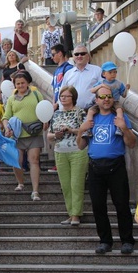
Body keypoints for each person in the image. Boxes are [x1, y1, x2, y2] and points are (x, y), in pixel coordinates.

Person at [76, 87, 136, 254]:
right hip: (95, 167)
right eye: (102, 97)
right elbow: (80, 146)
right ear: (97, 100)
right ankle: (105, 240)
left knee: (122, 204)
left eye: (109, 97)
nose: (106, 100)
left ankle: (127, 240)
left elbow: (131, 143)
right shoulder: (92, 118)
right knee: (98, 206)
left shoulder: (120, 117)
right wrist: (81, 129)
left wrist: (124, 128)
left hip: (116, 166)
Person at [47, 86, 88, 225]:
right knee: (65, 185)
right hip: (60, 151)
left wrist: (71, 130)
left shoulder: (80, 112)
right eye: (61, 96)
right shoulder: (55, 114)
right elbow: (49, 135)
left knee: (76, 183)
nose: (63, 98)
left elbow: (86, 131)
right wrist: (56, 135)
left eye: (66, 96)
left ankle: (76, 214)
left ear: (73, 97)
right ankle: (70, 213)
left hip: (78, 150)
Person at [2, 71, 43, 201]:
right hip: (17, 135)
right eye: (18, 83)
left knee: (34, 160)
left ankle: (35, 190)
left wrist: (45, 122)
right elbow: (6, 116)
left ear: (28, 83)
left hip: (34, 133)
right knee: (17, 161)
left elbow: (44, 109)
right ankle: (20, 182)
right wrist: (6, 127)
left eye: (23, 83)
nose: (20, 85)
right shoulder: (11, 99)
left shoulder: (37, 94)